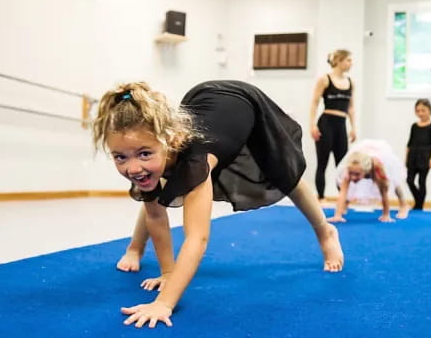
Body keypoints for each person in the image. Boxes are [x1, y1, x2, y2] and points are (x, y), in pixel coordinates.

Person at [92, 80, 344, 329]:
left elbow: (197, 239)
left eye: (144, 153)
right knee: (151, 185)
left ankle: (325, 232)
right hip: (202, 100)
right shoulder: (147, 159)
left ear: (170, 142)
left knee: (283, 174)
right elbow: (155, 215)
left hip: (243, 104)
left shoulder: (195, 162)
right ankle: (135, 247)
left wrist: (163, 303)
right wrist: (168, 272)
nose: (132, 167)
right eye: (120, 157)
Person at [309, 49, 357, 201]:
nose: (351, 63)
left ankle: (343, 197)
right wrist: (312, 125)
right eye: (348, 60)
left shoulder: (350, 82)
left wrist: (354, 127)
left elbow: (351, 107)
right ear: (339, 61)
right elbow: (314, 103)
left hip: (341, 125)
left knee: (342, 165)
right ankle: (321, 198)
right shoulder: (325, 79)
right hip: (326, 123)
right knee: (322, 162)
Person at [327, 139, 409, 223]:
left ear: (366, 171)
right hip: (362, 154)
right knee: (344, 183)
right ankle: (344, 205)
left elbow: (384, 192)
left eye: (357, 174)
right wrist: (337, 215)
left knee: (394, 182)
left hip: (380, 158)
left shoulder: (377, 168)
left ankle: (403, 204)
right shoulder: (350, 168)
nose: (353, 177)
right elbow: (343, 192)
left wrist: (386, 214)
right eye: (351, 173)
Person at [405, 99, 431, 210]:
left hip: (425, 156)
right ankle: (418, 201)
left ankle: (419, 206)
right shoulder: (414, 126)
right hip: (413, 155)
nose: (420, 113)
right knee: (409, 180)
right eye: (418, 111)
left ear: (430, 111)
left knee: (421, 181)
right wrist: (406, 157)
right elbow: (409, 142)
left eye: (423, 110)